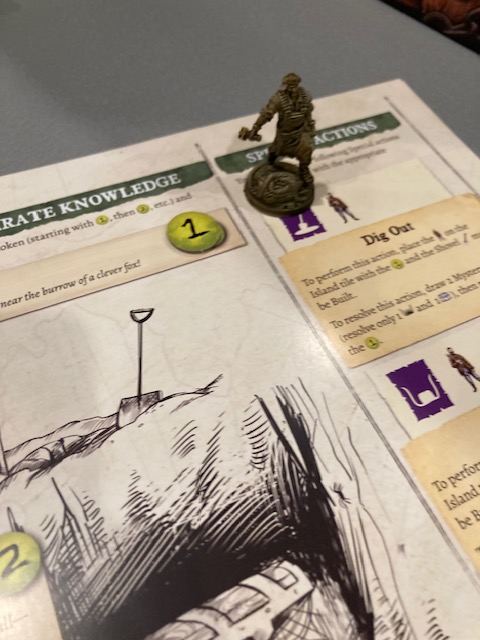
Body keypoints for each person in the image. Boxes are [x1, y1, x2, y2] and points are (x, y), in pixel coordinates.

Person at [239, 73, 315, 184]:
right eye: (290, 86)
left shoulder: (305, 96)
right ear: (285, 87)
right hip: (284, 133)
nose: (293, 89)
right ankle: (270, 163)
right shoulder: (278, 99)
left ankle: (304, 170)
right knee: (276, 150)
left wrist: (311, 127)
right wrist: (255, 129)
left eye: (295, 86)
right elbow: (266, 114)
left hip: (301, 132)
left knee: (306, 151)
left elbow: (308, 113)